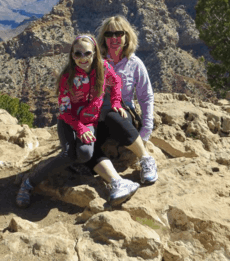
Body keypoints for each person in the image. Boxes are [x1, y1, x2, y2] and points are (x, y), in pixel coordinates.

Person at [16, 34, 140, 208]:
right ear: (72, 55)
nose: (82, 58)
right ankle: (28, 183)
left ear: (95, 53)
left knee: (85, 154)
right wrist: (80, 128)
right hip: (69, 121)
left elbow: (116, 82)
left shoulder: (103, 68)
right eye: (77, 54)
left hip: (90, 122)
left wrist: (116, 102)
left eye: (87, 53)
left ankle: (115, 181)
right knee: (68, 155)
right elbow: (65, 111)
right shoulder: (68, 77)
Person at [89, 15, 158, 185]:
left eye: (118, 33)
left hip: (124, 115)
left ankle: (145, 159)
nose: (114, 38)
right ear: (103, 38)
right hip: (99, 117)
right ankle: (116, 181)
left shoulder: (135, 64)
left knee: (114, 111)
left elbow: (145, 97)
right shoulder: (96, 63)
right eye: (109, 34)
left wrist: (146, 130)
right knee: (86, 145)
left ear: (127, 37)